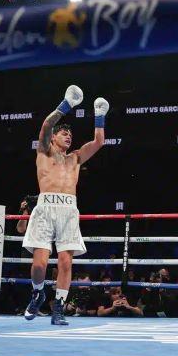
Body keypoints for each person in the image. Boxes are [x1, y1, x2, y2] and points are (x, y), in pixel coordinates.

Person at [22, 85, 109, 325]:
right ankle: (38, 293)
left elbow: (99, 141)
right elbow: (46, 125)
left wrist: (99, 115)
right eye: (63, 133)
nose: (68, 136)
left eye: (70, 134)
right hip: (45, 208)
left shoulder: (76, 158)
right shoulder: (44, 151)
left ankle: (58, 307)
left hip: (69, 210)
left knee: (65, 261)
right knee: (39, 264)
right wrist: (66, 104)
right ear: (53, 137)